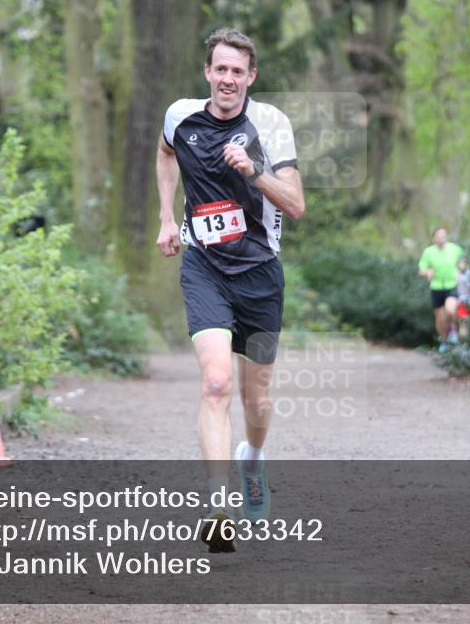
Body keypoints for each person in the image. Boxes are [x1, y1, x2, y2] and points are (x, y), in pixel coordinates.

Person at [155, 28, 304, 553]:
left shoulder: (270, 124)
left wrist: (255, 171)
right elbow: (166, 154)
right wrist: (166, 217)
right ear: (207, 72)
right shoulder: (180, 116)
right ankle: (219, 505)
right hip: (204, 267)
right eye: (220, 69)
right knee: (216, 383)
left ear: (251, 77)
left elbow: (297, 205)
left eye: (237, 71)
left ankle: (253, 458)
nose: (227, 78)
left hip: (261, 274)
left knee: (255, 397)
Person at [418, 227, 463, 352]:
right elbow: (421, 270)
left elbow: (463, 263)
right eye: (438, 236)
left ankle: (452, 329)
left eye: (444, 236)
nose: (441, 239)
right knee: (439, 318)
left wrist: (461, 271)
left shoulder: (455, 249)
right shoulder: (428, 252)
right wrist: (427, 272)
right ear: (434, 239)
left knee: (450, 309)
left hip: (452, 284)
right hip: (436, 287)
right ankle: (444, 340)